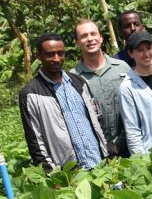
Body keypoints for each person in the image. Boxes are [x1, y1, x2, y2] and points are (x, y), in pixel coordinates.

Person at [19, 33, 111, 171]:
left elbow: (98, 119)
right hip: (68, 173)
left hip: (99, 165)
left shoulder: (78, 82)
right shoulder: (30, 94)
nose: (57, 59)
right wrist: (51, 173)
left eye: (60, 53)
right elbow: (35, 141)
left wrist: (109, 153)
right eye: (50, 54)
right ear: (38, 56)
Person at [71, 20, 131, 156]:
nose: (90, 39)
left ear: (101, 38)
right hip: (97, 152)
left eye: (93, 34)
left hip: (130, 145)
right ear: (77, 43)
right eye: (84, 36)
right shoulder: (73, 78)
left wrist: (119, 142)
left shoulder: (123, 68)